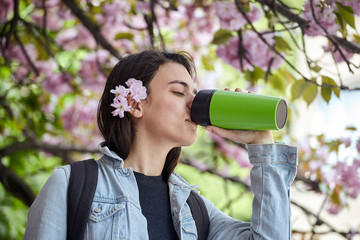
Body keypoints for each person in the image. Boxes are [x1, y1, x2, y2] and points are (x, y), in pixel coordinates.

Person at [24, 50, 298, 240]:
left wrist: (263, 144)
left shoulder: (195, 209)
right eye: (179, 92)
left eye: (194, 92)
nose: (193, 102)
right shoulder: (72, 184)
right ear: (134, 103)